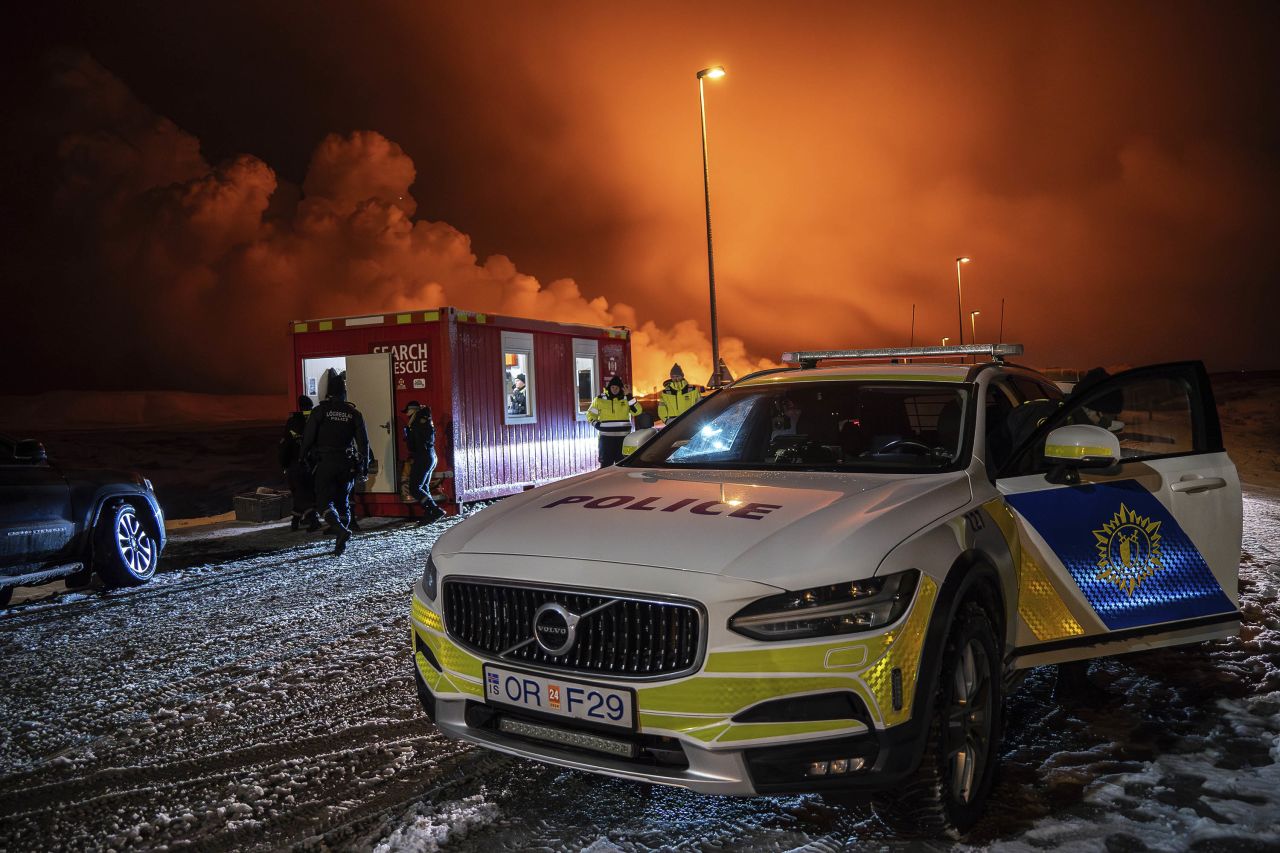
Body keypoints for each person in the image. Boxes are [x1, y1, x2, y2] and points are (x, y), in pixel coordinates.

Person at [301, 370, 370, 556]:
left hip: (326, 462)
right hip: (347, 462)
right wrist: (364, 466)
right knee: (343, 501)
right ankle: (341, 543)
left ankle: (340, 531)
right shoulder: (354, 413)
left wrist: (302, 457)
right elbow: (363, 443)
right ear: (344, 393)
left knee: (323, 502)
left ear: (328, 393)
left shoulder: (320, 411)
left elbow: (307, 439)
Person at [279, 394, 320, 531]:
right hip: (313, 463)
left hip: (295, 463)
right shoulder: (315, 419)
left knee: (300, 492)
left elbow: (285, 445)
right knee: (307, 492)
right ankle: (308, 520)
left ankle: (297, 521)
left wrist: (284, 464)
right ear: (311, 406)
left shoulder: (292, 422)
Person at [403, 400, 445, 525]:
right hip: (431, 456)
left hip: (423, 457)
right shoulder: (426, 420)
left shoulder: (416, 423)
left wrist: (407, 434)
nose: (407, 415)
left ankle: (435, 510)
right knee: (424, 487)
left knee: (415, 488)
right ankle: (429, 513)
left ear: (413, 410)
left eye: (408, 411)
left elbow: (413, 445)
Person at [587, 375, 641, 467]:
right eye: (612, 387)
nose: (614, 389)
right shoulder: (599, 399)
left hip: (623, 439)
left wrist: (629, 395)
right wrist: (596, 424)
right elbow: (590, 414)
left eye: (617, 387)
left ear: (620, 388)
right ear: (609, 387)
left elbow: (638, 411)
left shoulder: (626, 398)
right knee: (605, 466)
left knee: (623, 465)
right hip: (606, 439)